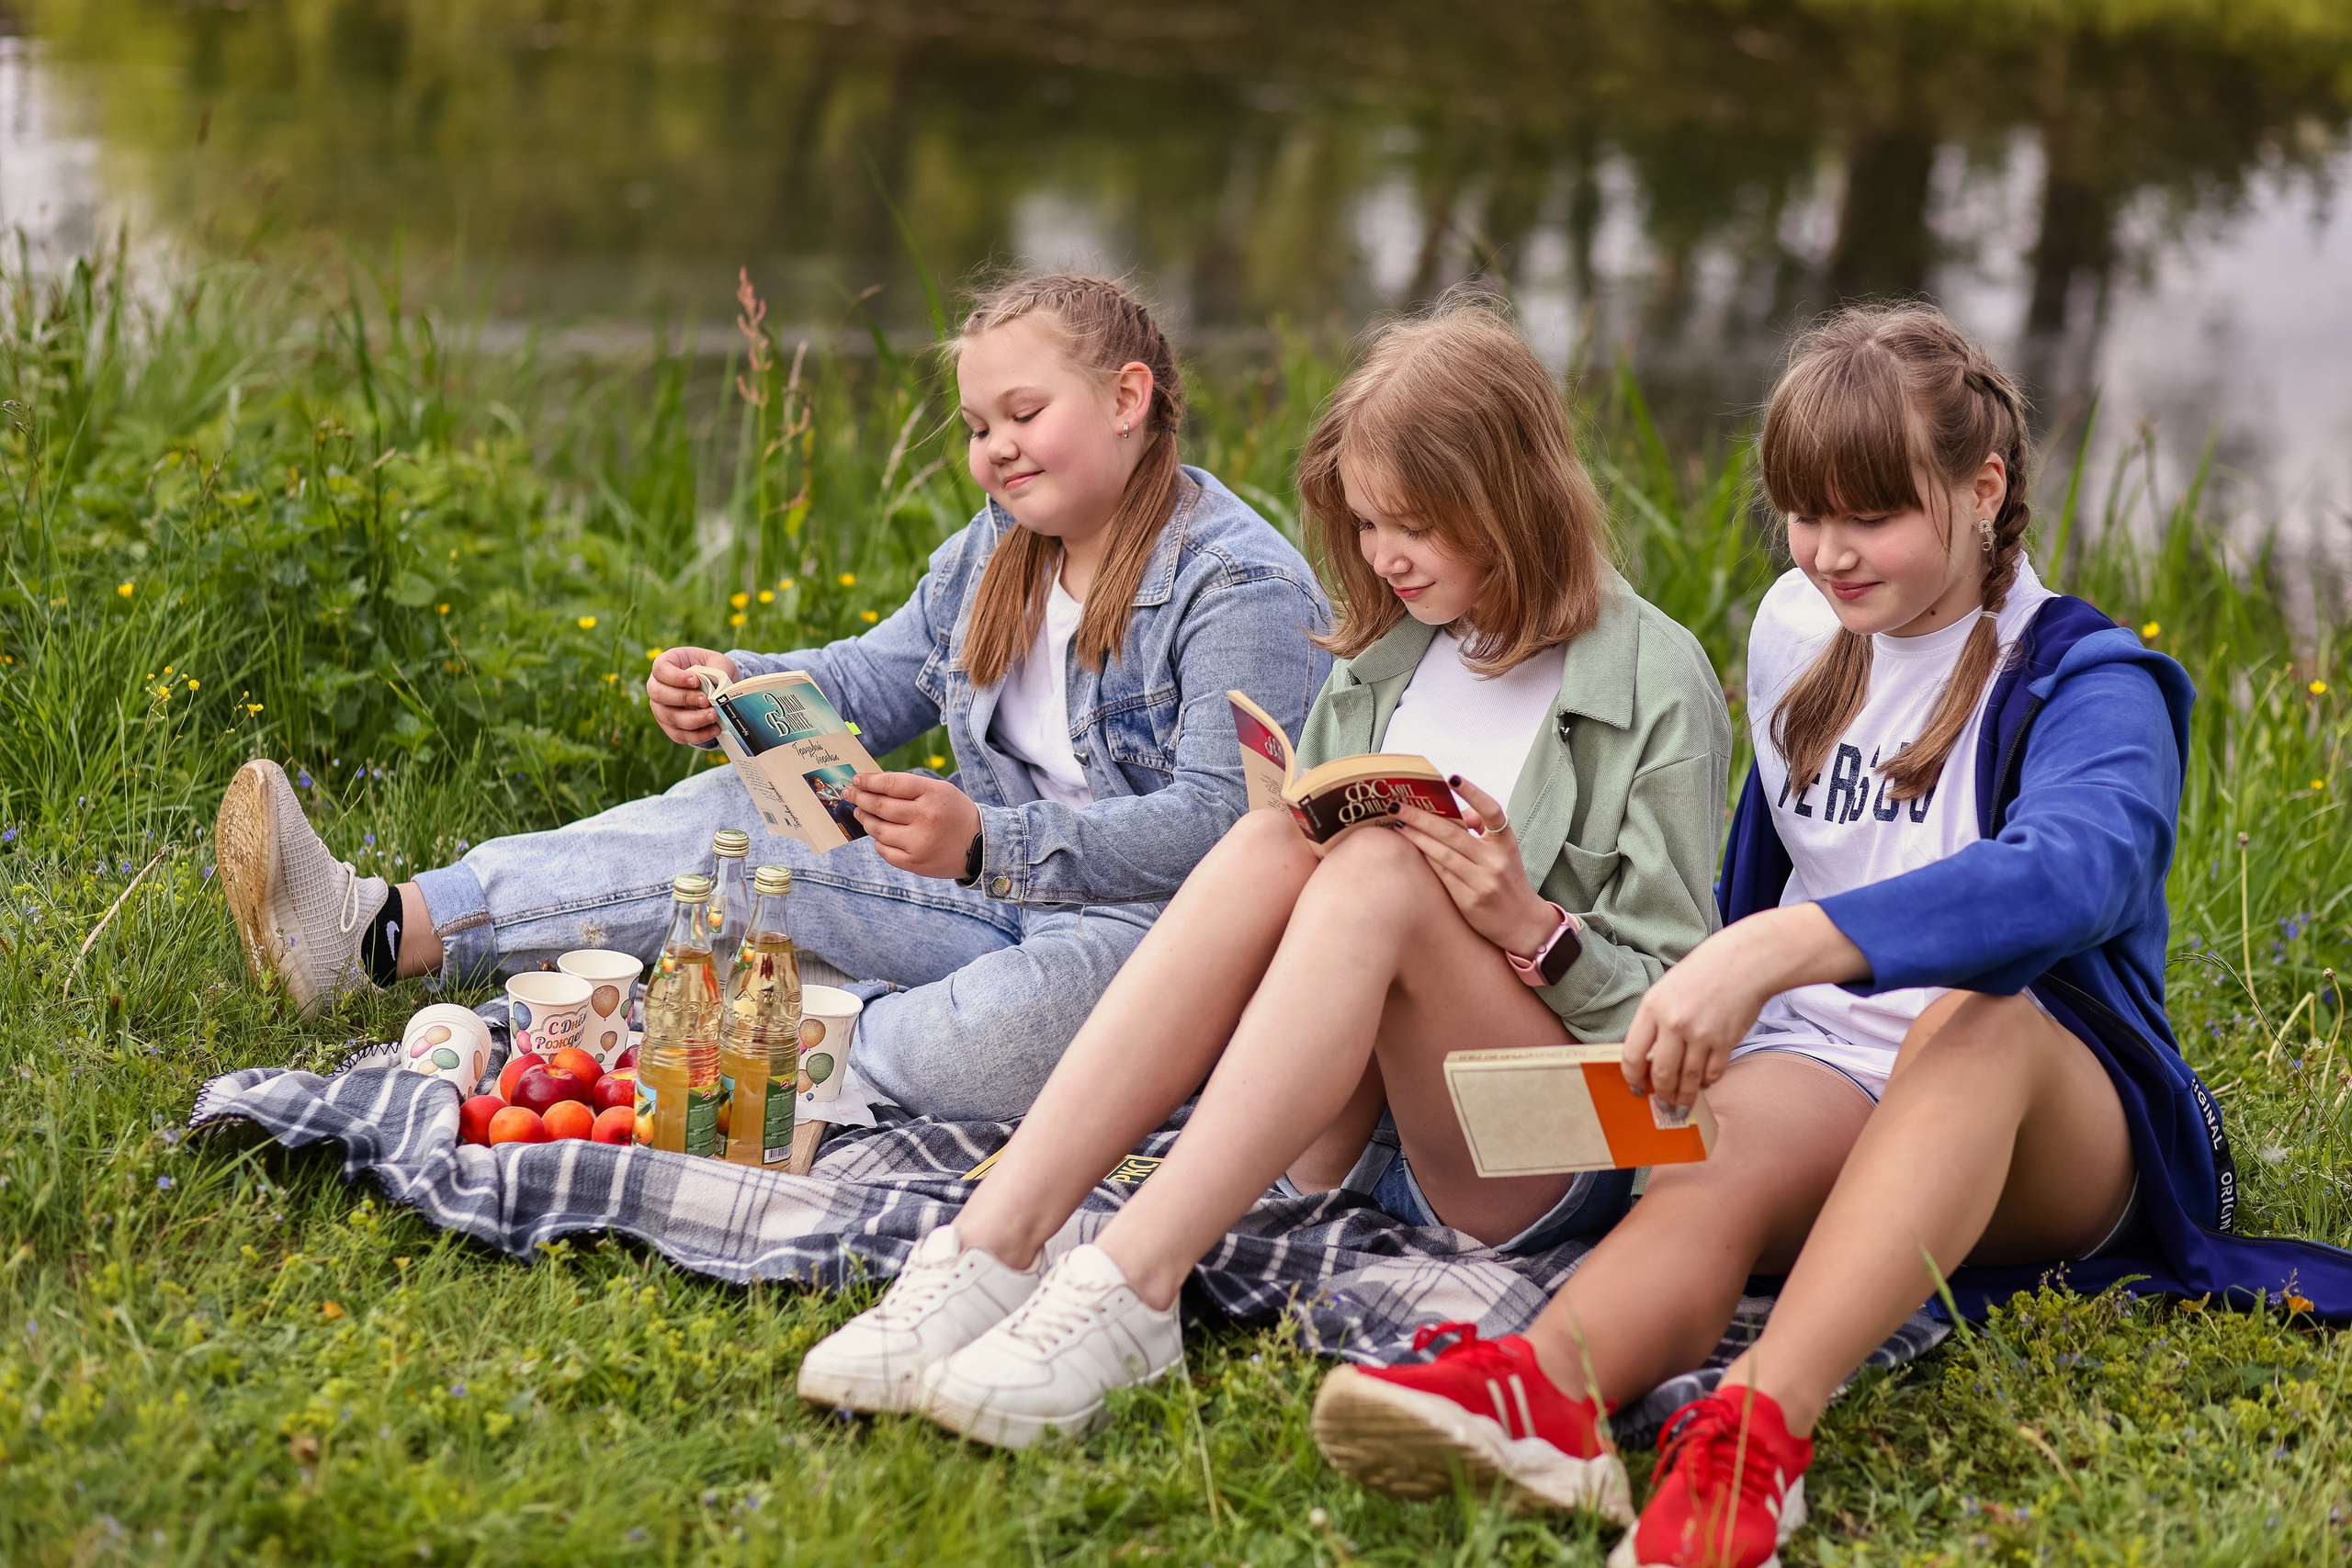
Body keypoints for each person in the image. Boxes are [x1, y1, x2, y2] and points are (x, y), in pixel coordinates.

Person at [1308, 302, 2352, 1568]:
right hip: (1827, 1069)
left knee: (1981, 1016)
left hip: (2050, 1117)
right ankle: (1544, 1391)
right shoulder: (1800, 631)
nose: (1829, 552)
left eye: (1873, 515)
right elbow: (1778, 862)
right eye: (1804, 513)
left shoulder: (2089, 678)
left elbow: (2072, 875)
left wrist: (1768, 954)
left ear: (1983, 487)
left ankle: (1757, 1432)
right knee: (1723, 1152)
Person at [793, 297, 1734, 1459]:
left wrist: (1526, 924)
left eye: (1417, 528)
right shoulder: (1386, 649)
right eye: (1368, 524)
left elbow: (1679, 1033)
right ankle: (991, 1249)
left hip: (1534, 1147)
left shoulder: (1655, 682)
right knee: (1271, 837)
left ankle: (1132, 1285)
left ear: (1511, 500)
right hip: (1350, 1139)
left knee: (1383, 870)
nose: (1384, 558)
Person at [212, 275, 1332, 1122]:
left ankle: (784, 1049)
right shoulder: (1002, 548)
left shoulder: (1238, 585)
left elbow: (1225, 831)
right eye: (979, 427)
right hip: (995, 897)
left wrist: (987, 841)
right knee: (741, 831)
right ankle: (381, 931)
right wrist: (736, 685)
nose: (993, 450)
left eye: (1022, 415)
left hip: (1162, 943)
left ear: (1129, 398)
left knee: (997, 1036)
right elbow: (875, 680)